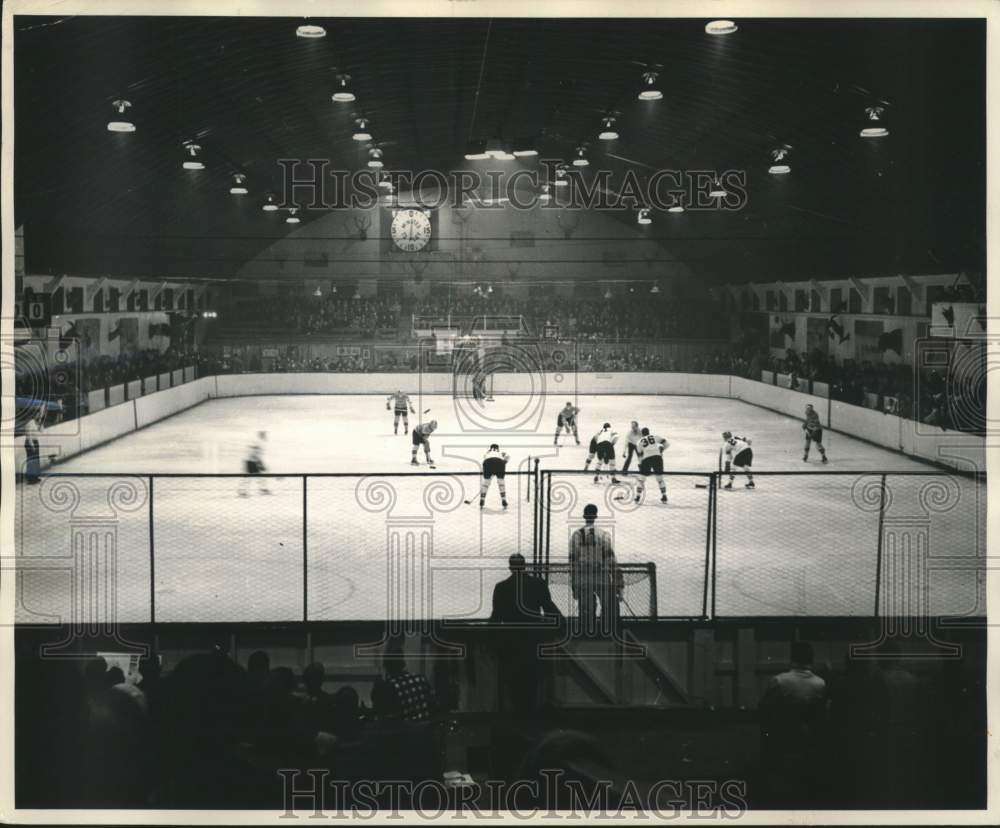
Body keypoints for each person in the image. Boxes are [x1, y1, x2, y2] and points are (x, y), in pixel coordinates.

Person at [568, 504, 620, 634]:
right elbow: (611, 558)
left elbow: (572, 562)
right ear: (596, 516)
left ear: (584, 516)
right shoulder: (603, 535)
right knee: (609, 607)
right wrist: (618, 580)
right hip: (602, 577)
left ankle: (587, 633)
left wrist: (574, 583)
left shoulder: (576, 535)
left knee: (586, 609)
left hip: (584, 579)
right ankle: (606, 631)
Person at [633, 427, 669, 504]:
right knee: (660, 479)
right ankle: (664, 496)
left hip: (647, 459)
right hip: (657, 457)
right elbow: (666, 444)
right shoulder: (655, 436)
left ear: (642, 434)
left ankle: (638, 497)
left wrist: (640, 463)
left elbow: (640, 454)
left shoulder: (639, 441)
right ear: (649, 432)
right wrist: (661, 451)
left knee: (642, 479)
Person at [238, 431, 270, 497]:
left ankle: (262, 489)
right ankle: (243, 491)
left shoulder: (258, 442)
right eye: (264, 435)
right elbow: (255, 454)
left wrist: (260, 463)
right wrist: (261, 464)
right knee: (250, 477)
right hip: (251, 461)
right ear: (262, 436)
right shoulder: (259, 443)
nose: (266, 436)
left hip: (250, 460)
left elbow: (254, 453)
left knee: (258, 476)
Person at [480, 444, 510, 509]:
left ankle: (482, 499)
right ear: (498, 448)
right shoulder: (500, 452)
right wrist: (504, 462)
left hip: (487, 462)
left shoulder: (487, 452)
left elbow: (485, 458)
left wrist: (491, 472)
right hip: (499, 462)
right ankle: (503, 499)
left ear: (491, 448)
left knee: (486, 483)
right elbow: (508, 456)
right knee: (501, 482)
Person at [23, 410, 42, 484]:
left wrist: (41, 422)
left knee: (36, 460)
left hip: (35, 442)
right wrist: (32, 445)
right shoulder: (29, 423)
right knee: (31, 461)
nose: (38, 415)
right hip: (30, 443)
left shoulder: (35, 422)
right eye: (37, 414)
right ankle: (31, 479)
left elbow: (41, 431)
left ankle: (35, 477)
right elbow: (29, 435)